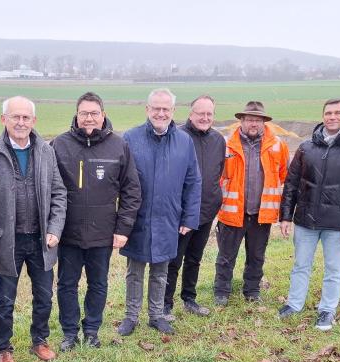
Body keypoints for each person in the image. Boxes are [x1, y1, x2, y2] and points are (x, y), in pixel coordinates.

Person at [0, 96, 67, 362]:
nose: (20, 122)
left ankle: (39, 340)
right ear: (3, 119)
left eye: (26, 117)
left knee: (44, 296)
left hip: (41, 240)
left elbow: (59, 193)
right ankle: (3, 349)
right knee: (4, 299)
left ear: (34, 121)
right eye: (15, 117)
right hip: (7, 241)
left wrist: (54, 228)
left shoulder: (46, 151)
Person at [51, 92, 141, 350]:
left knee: (98, 283)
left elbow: (131, 190)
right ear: (76, 115)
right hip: (68, 233)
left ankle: (92, 330)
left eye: (94, 113)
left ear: (103, 115)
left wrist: (123, 229)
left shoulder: (118, 146)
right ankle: (69, 333)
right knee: (67, 284)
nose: (89, 118)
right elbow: (48, 188)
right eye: (84, 113)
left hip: (103, 232)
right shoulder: (60, 144)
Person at [278, 99, 340, 331]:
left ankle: (326, 311)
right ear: (322, 116)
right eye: (328, 113)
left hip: (338, 224)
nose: (332, 117)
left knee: (334, 269)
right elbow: (291, 183)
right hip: (305, 221)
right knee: (301, 264)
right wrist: (286, 216)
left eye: (337, 113)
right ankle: (294, 304)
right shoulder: (306, 147)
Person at [117, 88, 201, 336]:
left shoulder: (185, 141)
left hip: (168, 217)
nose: (160, 113)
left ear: (173, 111)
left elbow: (193, 181)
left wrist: (189, 217)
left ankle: (156, 315)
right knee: (135, 271)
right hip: (138, 217)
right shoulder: (130, 138)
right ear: (147, 110)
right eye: (156, 108)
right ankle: (131, 317)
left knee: (161, 270)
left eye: (165, 109)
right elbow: (119, 180)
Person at [213, 101, 289, 306]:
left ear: (264, 122)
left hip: (261, 214)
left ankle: (252, 290)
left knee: (256, 256)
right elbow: (216, 176)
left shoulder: (278, 146)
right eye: (249, 119)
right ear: (241, 121)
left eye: (257, 120)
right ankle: (221, 291)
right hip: (232, 212)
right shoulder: (226, 144)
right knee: (226, 256)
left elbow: (283, 176)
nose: (253, 123)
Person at [163, 95, 226, 319]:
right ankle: (165, 304)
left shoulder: (219, 140)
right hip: (179, 214)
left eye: (209, 114)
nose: (205, 117)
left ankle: (189, 298)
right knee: (174, 259)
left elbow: (217, 174)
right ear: (191, 114)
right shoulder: (177, 137)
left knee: (194, 258)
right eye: (201, 113)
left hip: (206, 211)